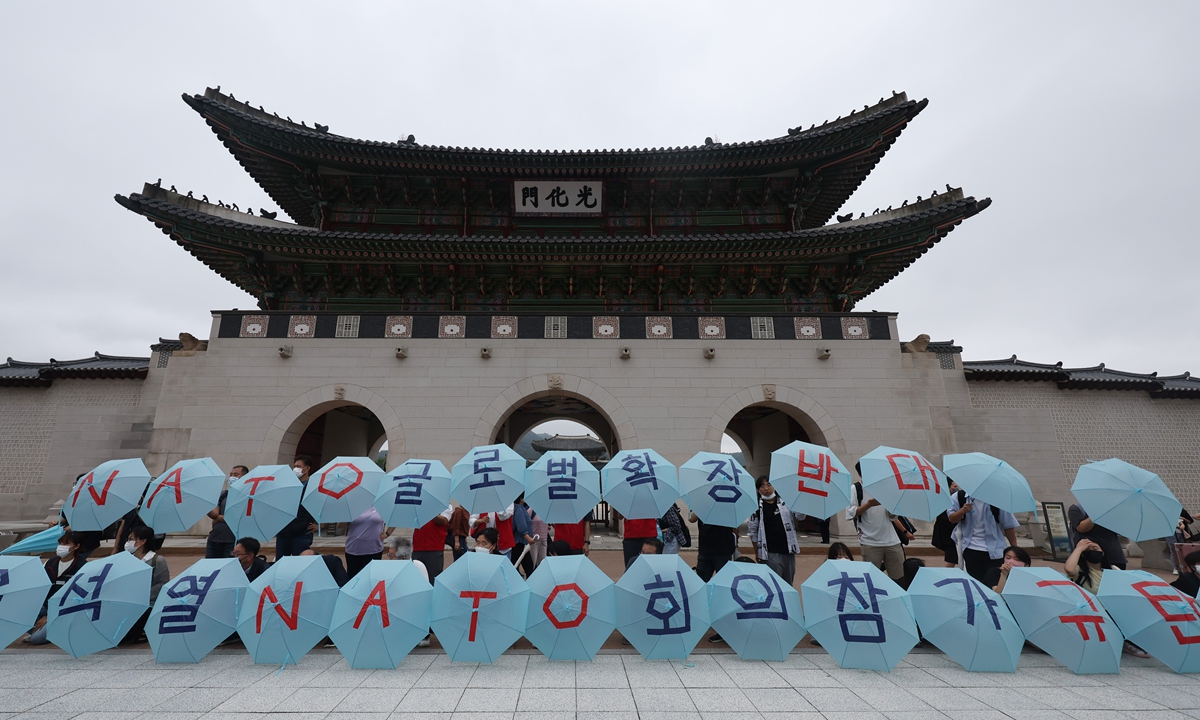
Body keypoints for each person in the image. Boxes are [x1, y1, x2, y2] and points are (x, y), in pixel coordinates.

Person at [1065, 538, 1149, 658]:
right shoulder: (1080, 571)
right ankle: (1123, 641)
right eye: (1087, 550)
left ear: (1103, 552)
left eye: (1095, 548)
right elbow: (1069, 569)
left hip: (1113, 609)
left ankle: (1126, 639)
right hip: (1091, 611)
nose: (1092, 551)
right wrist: (1079, 548)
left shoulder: (1113, 570)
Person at [23, 532, 86, 645]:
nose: (61, 547)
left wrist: (49, 616)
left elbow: (75, 598)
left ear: (76, 546)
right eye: (60, 543)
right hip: (48, 605)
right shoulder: (51, 563)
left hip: (66, 611)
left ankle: (57, 630)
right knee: (22, 611)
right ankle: (48, 630)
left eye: (66, 544)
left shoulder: (82, 567)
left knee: (36, 639)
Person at [947, 488, 1020, 583]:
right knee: (975, 583)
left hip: (995, 550)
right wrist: (962, 511)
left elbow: (1008, 526)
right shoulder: (959, 496)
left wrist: (1014, 548)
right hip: (970, 547)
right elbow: (952, 519)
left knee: (993, 582)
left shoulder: (997, 499)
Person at [846, 473, 909, 581]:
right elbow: (851, 513)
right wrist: (869, 504)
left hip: (892, 540)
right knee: (871, 579)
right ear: (861, 473)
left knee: (900, 577)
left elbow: (892, 517)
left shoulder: (886, 488)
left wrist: (893, 509)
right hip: (870, 541)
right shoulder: (856, 488)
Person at [747, 477, 805, 585]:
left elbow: (800, 517)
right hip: (770, 552)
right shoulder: (757, 508)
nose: (766, 488)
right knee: (774, 584)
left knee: (788, 583)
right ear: (758, 490)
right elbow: (753, 532)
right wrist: (757, 551)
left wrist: (800, 501)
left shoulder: (786, 503)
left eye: (769, 485)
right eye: (762, 486)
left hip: (788, 551)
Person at [122, 526, 170, 644]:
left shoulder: (157, 560)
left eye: (132, 539)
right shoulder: (127, 560)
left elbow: (162, 584)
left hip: (148, 602)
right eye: (128, 539)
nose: (128, 543)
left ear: (143, 541)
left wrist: (143, 595)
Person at [275, 456, 319, 559]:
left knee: (300, 561)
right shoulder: (288, 484)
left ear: (307, 469)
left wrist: (320, 525)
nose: (295, 469)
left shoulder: (313, 486)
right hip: (284, 531)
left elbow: (321, 505)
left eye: (298, 466)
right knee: (280, 562)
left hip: (302, 532)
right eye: (294, 466)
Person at [1068, 502, 1126, 570]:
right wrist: (1097, 512)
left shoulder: (1111, 508)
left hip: (1113, 556)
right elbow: (1082, 528)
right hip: (1090, 558)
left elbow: (1121, 528)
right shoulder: (1077, 508)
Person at [206, 465, 247, 559]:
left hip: (232, 541)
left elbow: (238, 518)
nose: (232, 477)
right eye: (231, 474)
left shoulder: (246, 497)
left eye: (236, 475)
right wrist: (205, 507)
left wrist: (219, 518)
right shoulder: (223, 494)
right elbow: (214, 514)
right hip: (214, 538)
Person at [345, 506, 387, 578]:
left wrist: (387, 533)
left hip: (374, 550)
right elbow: (340, 525)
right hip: (353, 550)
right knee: (353, 580)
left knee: (372, 579)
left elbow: (394, 518)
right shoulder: (353, 506)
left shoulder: (381, 506)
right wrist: (346, 516)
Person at [413, 505, 453, 580]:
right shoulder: (419, 504)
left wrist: (430, 510)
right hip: (417, 547)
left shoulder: (446, 505)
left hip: (434, 549)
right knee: (417, 578)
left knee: (433, 579)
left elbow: (443, 521)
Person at [931, 480, 960, 567]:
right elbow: (945, 519)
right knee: (951, 559)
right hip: (949, 535)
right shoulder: (945, 501)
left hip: (951, 535)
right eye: (954, 487)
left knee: (952, 559)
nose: (956, 489)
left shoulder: (953, 500)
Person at [511, 495, 536, 578]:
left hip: (522, 543)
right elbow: (521, 525)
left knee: (527, 567)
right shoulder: (519, 509)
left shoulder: (520, 508)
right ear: (521, 498)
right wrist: (529, 539)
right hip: (519, 543)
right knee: (525, 567)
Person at [1169, 508, 1196, 575]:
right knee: (1173, 549)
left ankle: (1186, 566)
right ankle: (1175, 568)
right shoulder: (1166, 513)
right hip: (1170, 533)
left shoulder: (1179, 511)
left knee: (1183, 548)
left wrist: (1182, 522)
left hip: (1179, 532)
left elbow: (1187, 521)